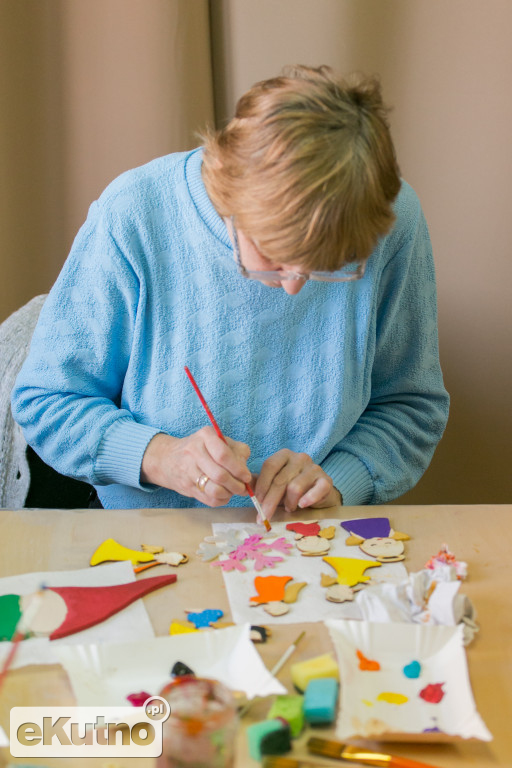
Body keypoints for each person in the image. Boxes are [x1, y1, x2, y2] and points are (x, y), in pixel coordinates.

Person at [11, 65, 449, 519]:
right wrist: (159, 456)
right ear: (229, 196)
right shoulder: (135, 214)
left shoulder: (393, 220)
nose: (294, 286)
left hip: (315, 540)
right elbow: (48, 402)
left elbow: (411, 407)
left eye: (330, 267)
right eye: (272, 258)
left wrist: (341, 478)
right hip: (151, 537)